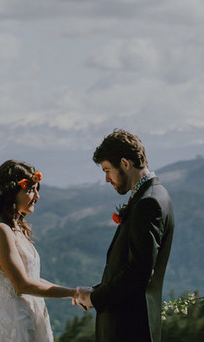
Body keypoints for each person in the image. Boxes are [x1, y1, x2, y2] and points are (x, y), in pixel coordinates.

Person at [74, 129, 174, 342]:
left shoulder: (148, 203)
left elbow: (138, 272)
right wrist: (95, 290)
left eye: (108, 170)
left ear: (125, 164)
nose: (106, 179)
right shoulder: (155, 194)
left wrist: (95, 298)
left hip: (130, 327)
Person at [0, 160, 79, 342]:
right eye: (31, 190)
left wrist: (74, 291)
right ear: (12, 193)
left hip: (32, 314)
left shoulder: (15, 228)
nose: (37, 196)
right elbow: (22, 285)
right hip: (16, 321)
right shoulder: (0, 230)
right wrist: (73, 293)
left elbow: (32, 278)